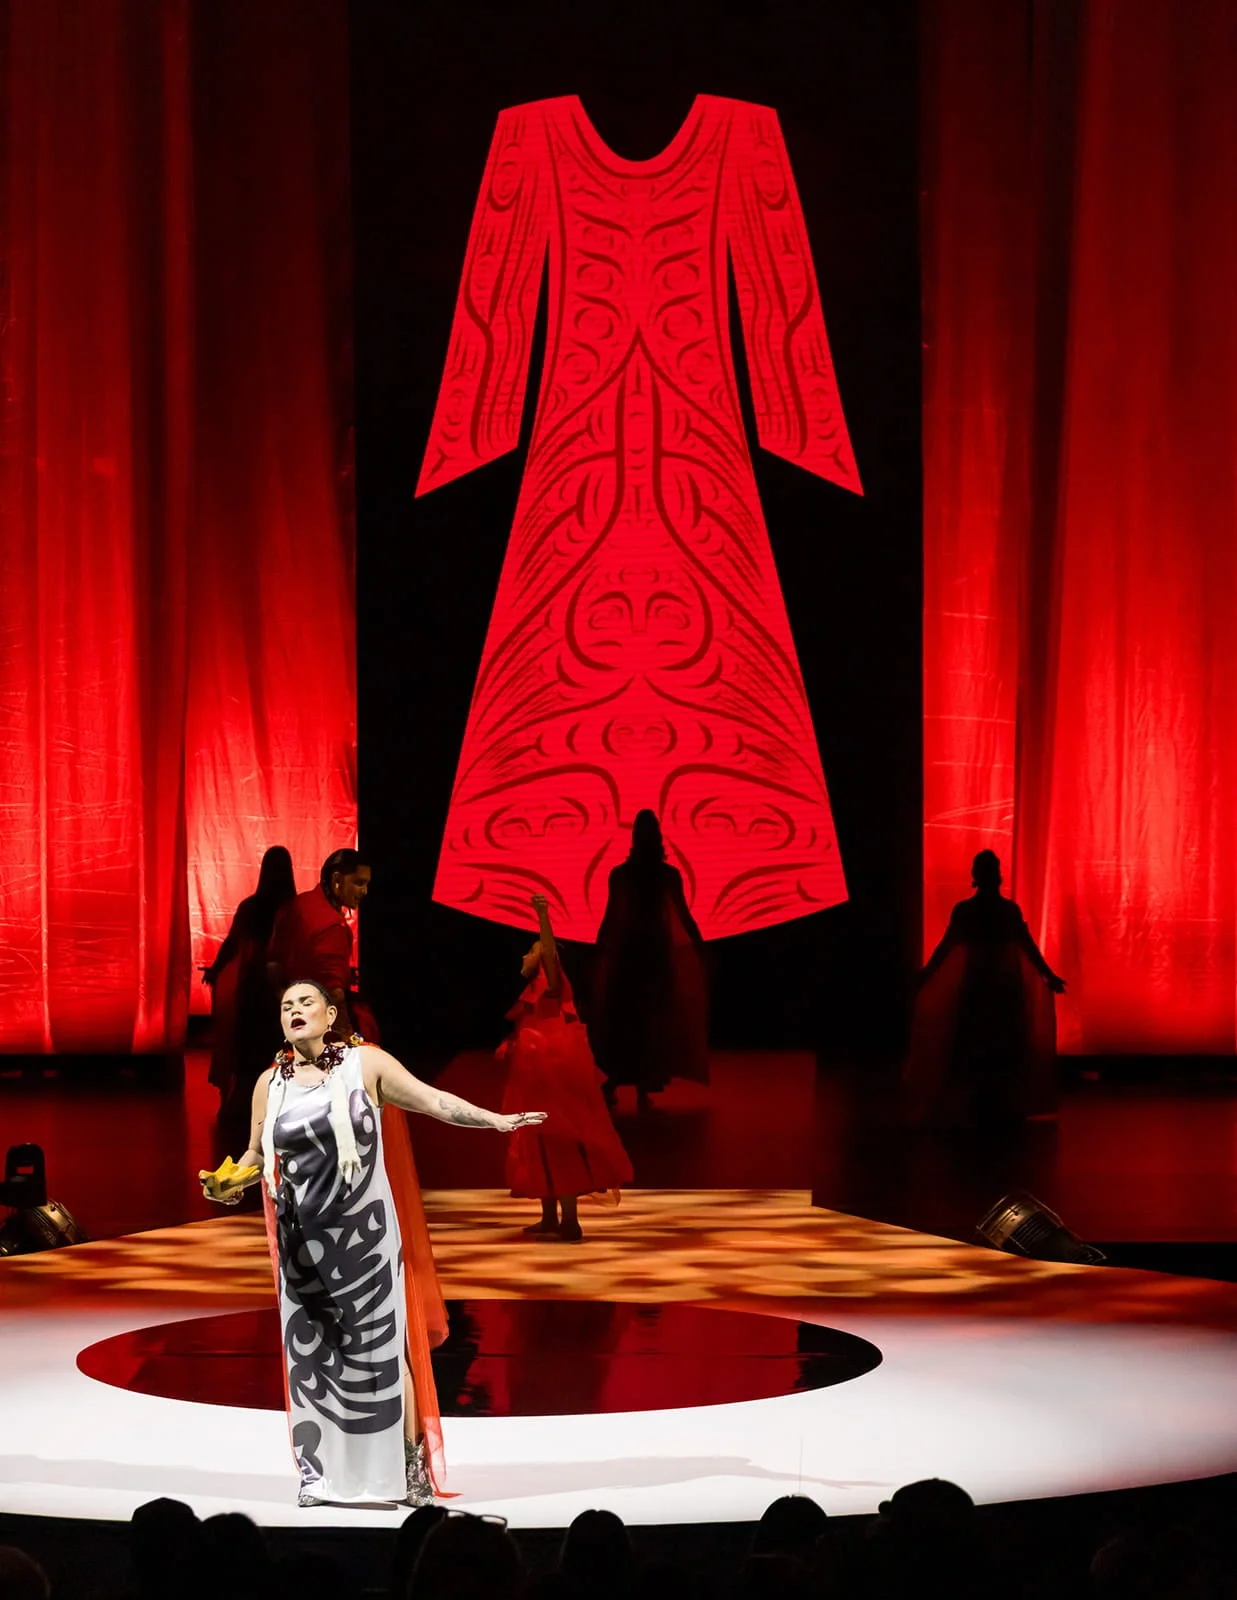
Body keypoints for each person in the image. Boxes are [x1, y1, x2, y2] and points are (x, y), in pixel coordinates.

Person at [199, 979, 546, 1508]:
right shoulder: (271, 1083)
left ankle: (409, 1472)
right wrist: (230, 1181)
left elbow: (434, 1101)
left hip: (364, 1237)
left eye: (305, 1003)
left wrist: (493, 1121)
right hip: (300, 1240)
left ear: (331, 1013)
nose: (294, 1011)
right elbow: (254, 1154)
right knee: (312, 1356)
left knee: (382, 1350)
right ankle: (320, 1474)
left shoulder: (367, 1066)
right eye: (286, 1005)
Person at [500, 896, 632, 1242]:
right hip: (536, 1075)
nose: (525, 957)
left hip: (553, 1076)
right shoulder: (533, 993)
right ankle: (549, 1216)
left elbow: (547, 950)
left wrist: (543, 916)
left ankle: (569, 1218)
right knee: (538, 1139)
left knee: (559, 1140)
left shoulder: (552, 984)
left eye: (532, 952)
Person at [905, 851, 1066, 1127]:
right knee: (1001, 1042)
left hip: (980, 985)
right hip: (1001, 986)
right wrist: (1048, 975)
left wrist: (924, 977)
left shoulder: (968, 911)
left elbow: (946, 947)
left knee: (976, 1040)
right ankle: (999, 1102)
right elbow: (1027, 945)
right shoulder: (1006, 911)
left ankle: (979, 1101)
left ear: (975, 876)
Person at [588, 811, 709, 1110]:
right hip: (654, 953)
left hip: (630, 954)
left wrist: (600, 951)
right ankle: (640, 1087)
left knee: (624, 1020)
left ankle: (615, 1082)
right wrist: (700, 947)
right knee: (649, 1022)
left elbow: (611, 917)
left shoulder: (622, 874)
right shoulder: (667, 875)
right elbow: (683, 914)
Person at [204, 846, 296, 1117]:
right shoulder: (295, 909)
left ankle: (241, 1105)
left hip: (253, 987)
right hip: (285, 988)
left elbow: (233, 942)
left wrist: (216, 969)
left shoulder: (251, 907)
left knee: (248, 1049)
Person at [266, 848, 375, 1039]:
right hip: (317, 1030)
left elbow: (273, 964)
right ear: (337, 880)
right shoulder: (332, 926)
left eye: (366, 884)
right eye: (358, 883)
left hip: (284, 1021)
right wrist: (344, 1035)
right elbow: (334, 993)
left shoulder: (295, 905)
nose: (364, 891)